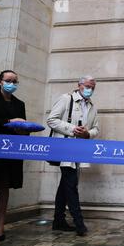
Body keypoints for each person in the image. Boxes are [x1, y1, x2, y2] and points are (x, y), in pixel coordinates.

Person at [47, 76, 100, 236]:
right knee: (71, 184)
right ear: (79, 85)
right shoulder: (66, 99)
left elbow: (96, 129)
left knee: (65, 185)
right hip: (65, 149)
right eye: (87, 86)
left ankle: (58, 220)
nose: (90, 89)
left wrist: (87, 133)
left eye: (92, 86)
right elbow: (52, 120)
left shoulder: (92, 106)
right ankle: (79, 223)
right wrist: (72, 129)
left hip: (80, 150)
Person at [0, 70, 27, 243]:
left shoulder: (20, 104)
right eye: (9, 80)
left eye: (15, 81)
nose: (12, 83)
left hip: (11, 151)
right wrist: (10, 122)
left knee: (4, 188)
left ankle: (0, 225)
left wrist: (22, 128)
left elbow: (24, 128)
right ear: (1, 81)